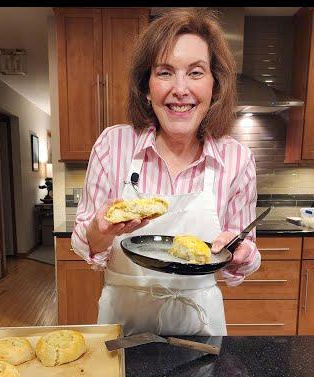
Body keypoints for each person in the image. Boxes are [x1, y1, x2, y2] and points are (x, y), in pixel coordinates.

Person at [71, 8, 260, 336]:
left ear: (215, 86)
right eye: (165, 72)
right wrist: (100, 229)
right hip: (123, 327)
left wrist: (240, 253)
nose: (180, 89)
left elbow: (245, 252)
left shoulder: (237, 158)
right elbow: (86, 244)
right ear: (146, 87)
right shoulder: (113, 146)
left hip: (200, 327)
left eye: (196, 73)